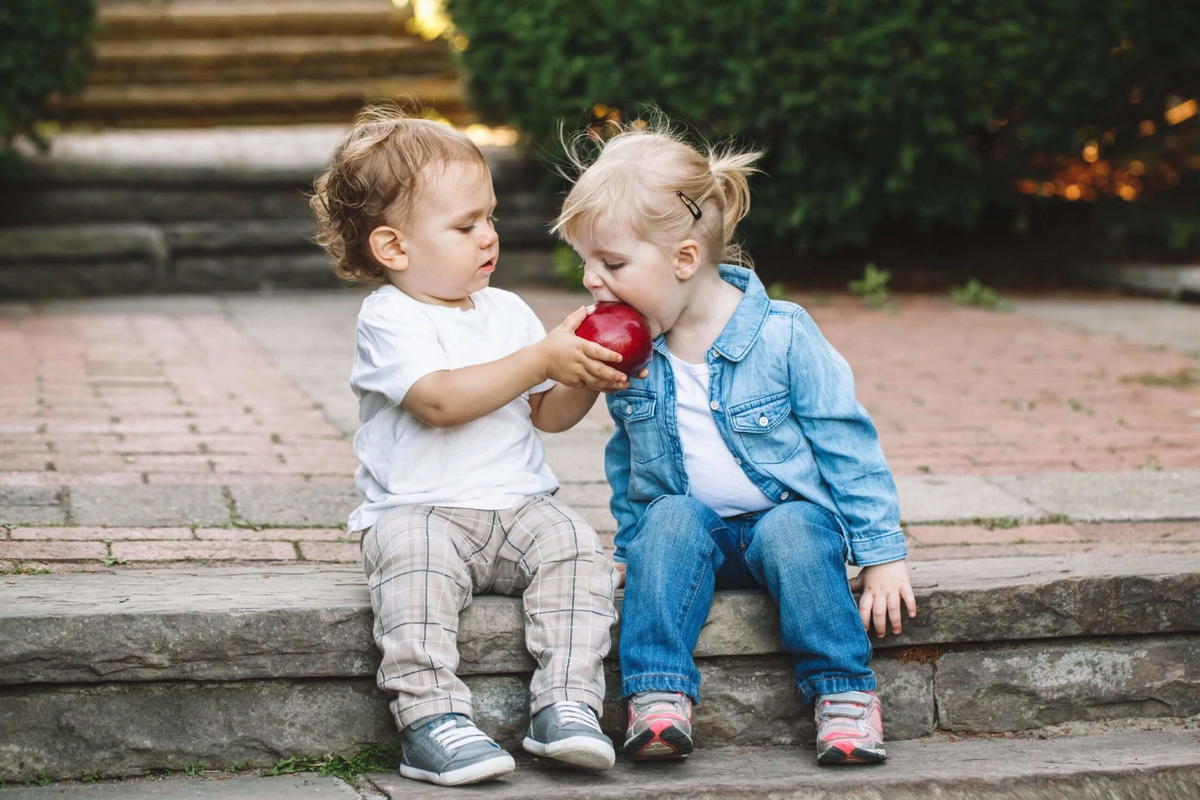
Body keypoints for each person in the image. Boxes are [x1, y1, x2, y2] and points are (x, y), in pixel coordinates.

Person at [551, 118, 918, 765]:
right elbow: (631, 460)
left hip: (785, 527)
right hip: (698, 538)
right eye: (587, 262)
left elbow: (847, 445)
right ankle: (658, 697)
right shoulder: (639, 352)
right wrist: (634, 547)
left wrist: (882, 553)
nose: (590, 280)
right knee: (667, 519)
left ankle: (843, 693)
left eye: (610, 263)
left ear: (684, 259)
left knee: (797, 529)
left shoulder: (783, 335)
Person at [310, 105, 629, 786]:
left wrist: (586, 373)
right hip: (419, 512)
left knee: (577, 550)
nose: (488, 236)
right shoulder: (390, 318)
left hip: (518, 507)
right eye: (464, 226)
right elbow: (440, 400)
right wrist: (542, 358)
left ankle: (566, 705)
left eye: (488, 217)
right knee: (412, 568)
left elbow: (547, 416)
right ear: (394, 248)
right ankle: (431, 720)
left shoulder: (506, 310)